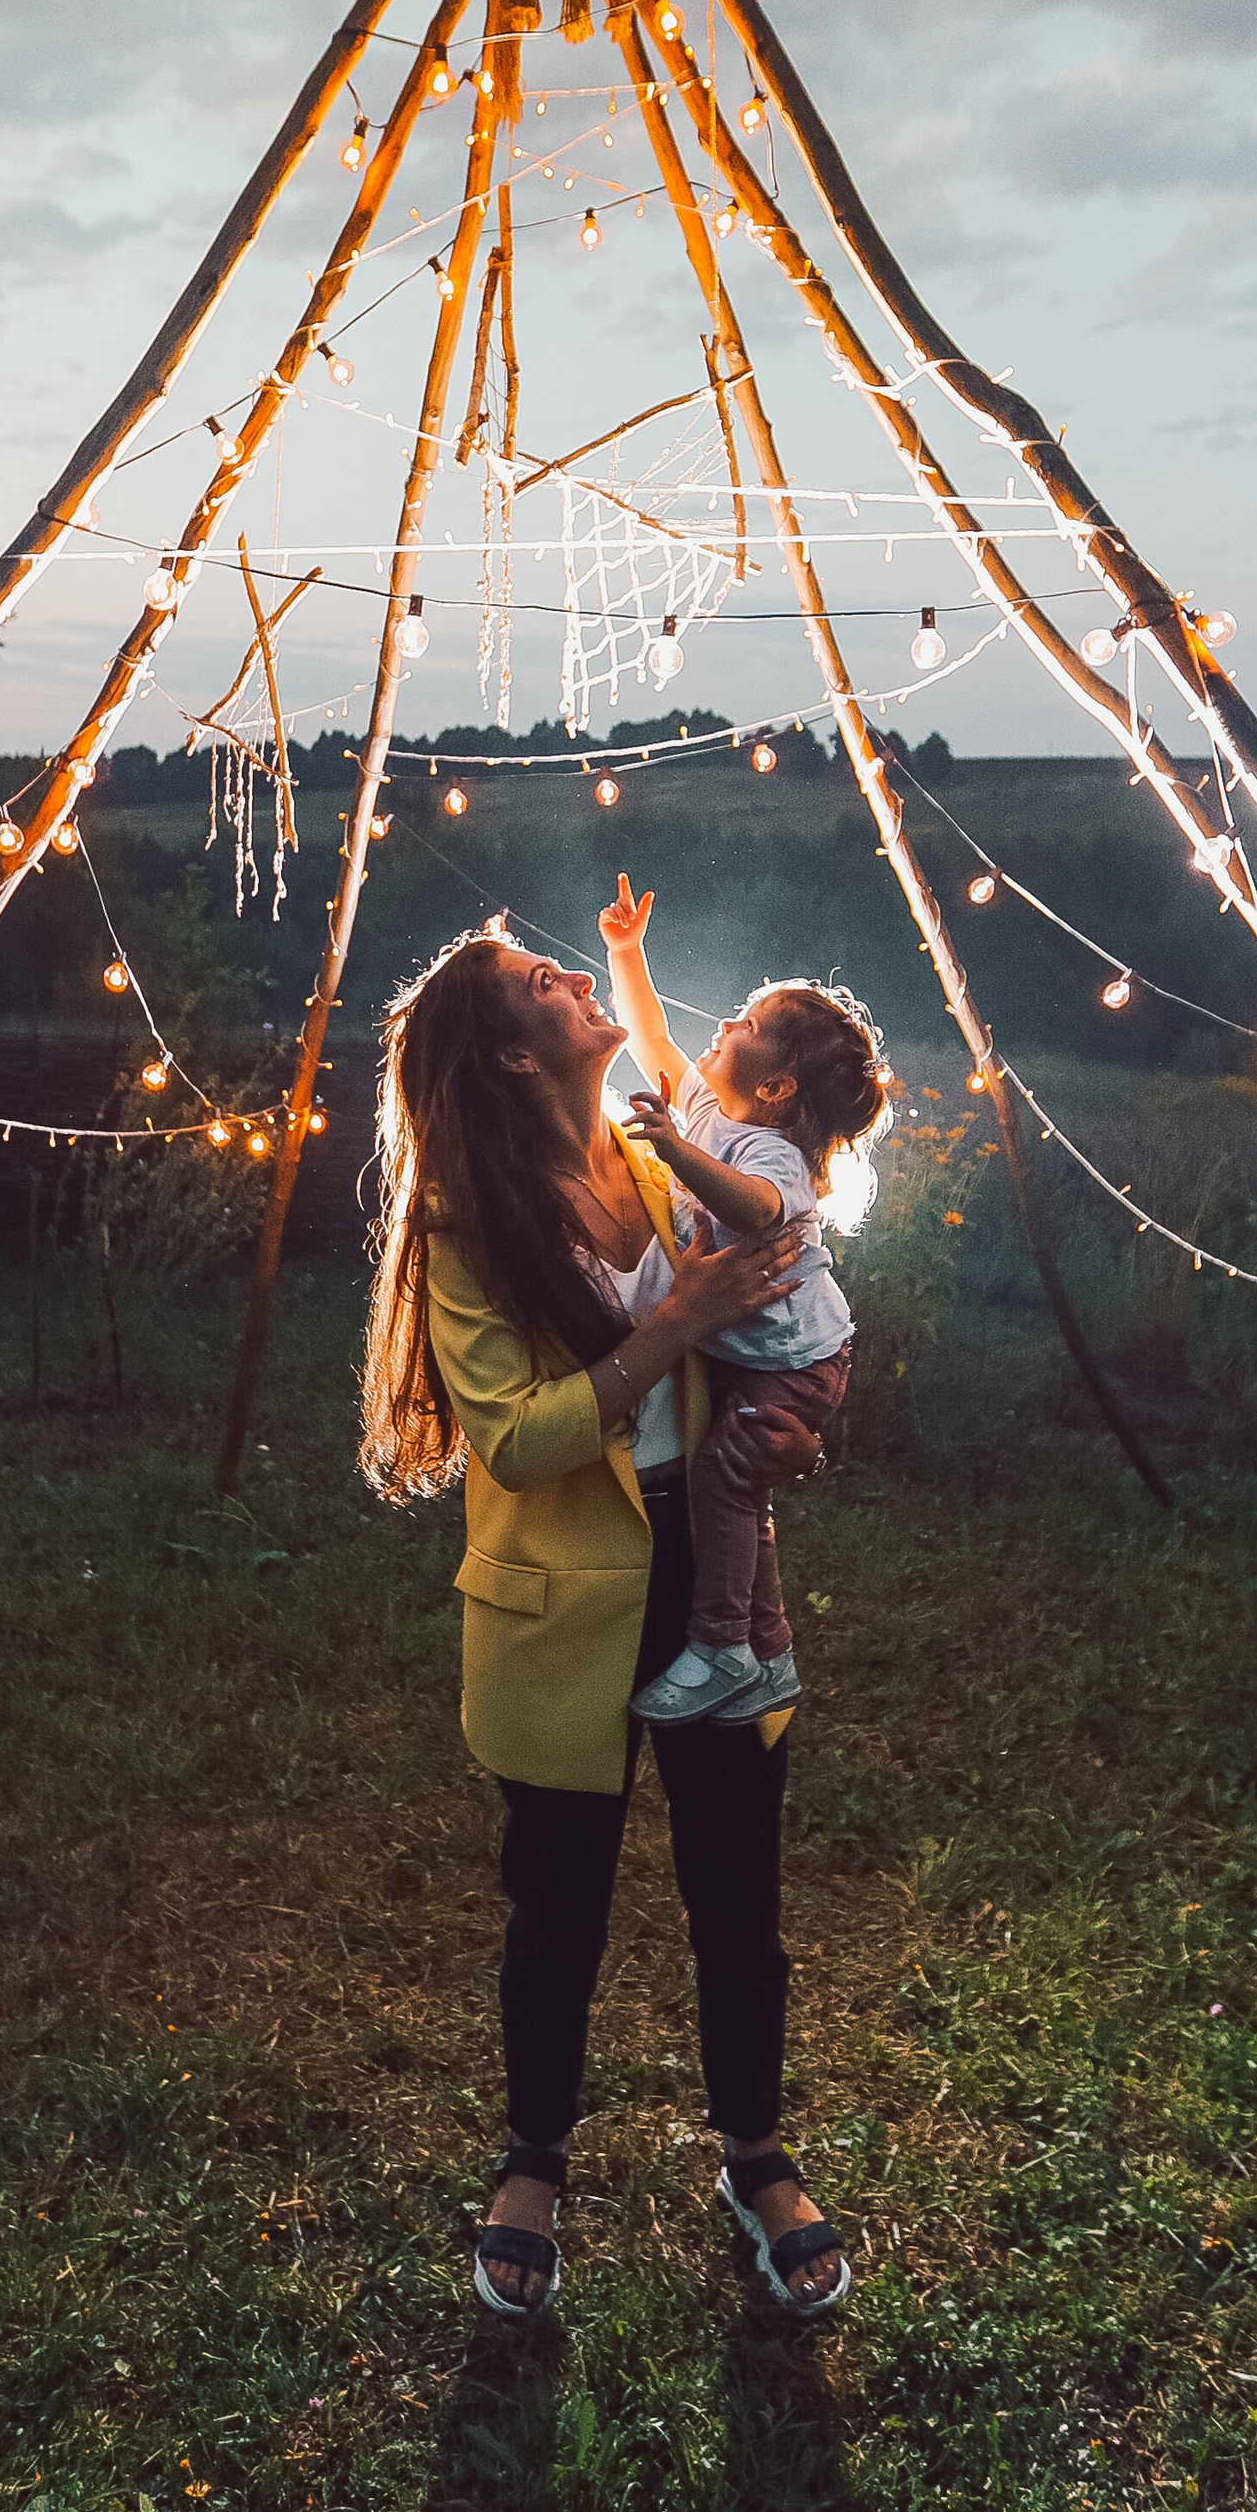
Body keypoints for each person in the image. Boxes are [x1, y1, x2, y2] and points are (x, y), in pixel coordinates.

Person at [362, 925, 852, 2324]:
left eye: (573, 974)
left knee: (739, 1890)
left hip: (710, 1576)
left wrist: (792, 1427)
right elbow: (512, 1444)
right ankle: (533, 2164)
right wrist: (677, 1323)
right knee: (557, 1903)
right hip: (564, 1604)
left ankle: (755, 2154)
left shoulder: (659, 1158)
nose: (581, 982)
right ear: (517, 1053)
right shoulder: (473, 1219)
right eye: (546, 985)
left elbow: (778, 1314)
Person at [597, 878, 888, 1730]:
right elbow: (649, 1034)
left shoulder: (770, 1151)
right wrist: (626, 954)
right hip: (769, 1357)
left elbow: (756, 1209)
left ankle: (723, 1644)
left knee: (725, 1482)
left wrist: (683, 1155)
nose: (724, 1025)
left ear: (778, 1091)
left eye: (750, 1027)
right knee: (739, 1490)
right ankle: (771, 1657)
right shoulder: (711, 1108)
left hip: (798, 1362)